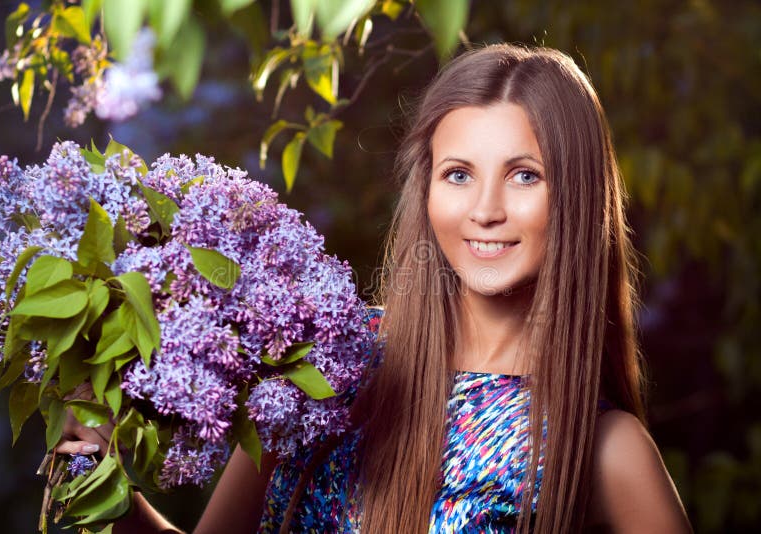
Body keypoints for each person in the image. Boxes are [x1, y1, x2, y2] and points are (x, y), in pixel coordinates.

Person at [58, 43, 692, 533]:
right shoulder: (326, 359)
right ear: (427, 189)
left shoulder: (608, 450)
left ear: (577, 198)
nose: (486, 210)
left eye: (525, 175)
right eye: (459, 174)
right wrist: (107, 482)